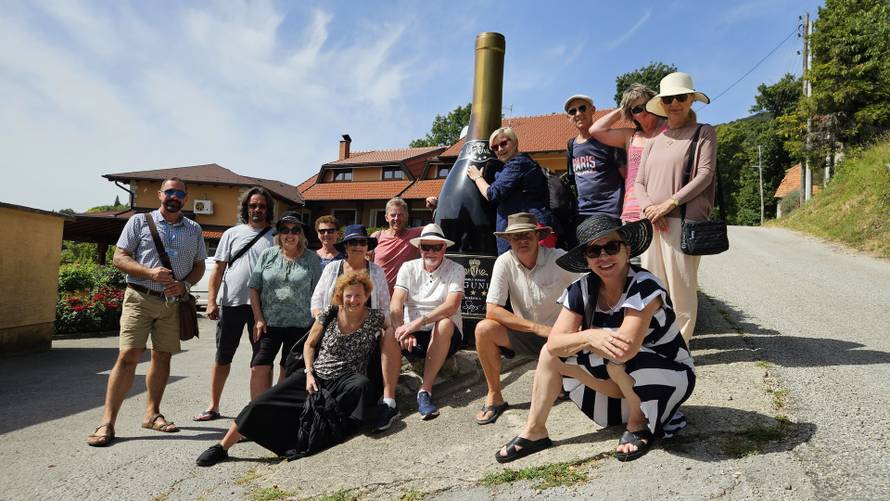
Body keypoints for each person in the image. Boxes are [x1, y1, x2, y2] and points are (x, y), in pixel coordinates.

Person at [494, 215, 695, 463]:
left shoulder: (644, 285)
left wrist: (588, 340)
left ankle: (638, 423)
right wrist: (589, 336)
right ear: (586, 260)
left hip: (667, 377)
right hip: (618, 381)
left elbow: (625, 349)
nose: (603, 256)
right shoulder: (582, 289)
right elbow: (555, 343)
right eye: (593, 250)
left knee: (617, 360)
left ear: (627, 250)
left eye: (611, 247)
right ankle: (535, 431)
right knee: (550, 355)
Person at [195, 271, 392, 466]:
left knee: (362, 386)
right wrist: (308, 373)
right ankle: (222, 447)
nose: (353, 300)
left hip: (346, 380)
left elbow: (393, 331)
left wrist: (403, 333)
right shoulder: (329, 313)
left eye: (358, 295)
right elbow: (309, 345)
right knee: (260, 403)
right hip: (315, 373)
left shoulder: (375, 318)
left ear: (367, 296)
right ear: (341, 296)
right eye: (348, 295)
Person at [87, 177, 207, 447]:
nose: (174, 196)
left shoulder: (194, 230)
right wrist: (149, 272)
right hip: (140, 297)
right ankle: (107, 422)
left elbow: (199, 265)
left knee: (162, 357)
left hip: (172, 304)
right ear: (159, 194)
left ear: (185, 199)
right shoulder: (139, 222)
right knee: (128, 356)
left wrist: (184, 284)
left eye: (179, 193)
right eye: (169, 192)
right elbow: (119, 257)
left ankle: (152, 414)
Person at [473, 213, 580, 425]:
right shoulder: (504, 262)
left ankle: (565, 377)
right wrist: (536, 328)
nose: (522, 241)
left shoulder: (558, 258)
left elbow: (589, 288)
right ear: (509, 240)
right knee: (483, 329)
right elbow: (492, 310)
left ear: (537, 236)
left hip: (563, 338)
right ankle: (495, 395)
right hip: (530, 334)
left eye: (527, 236)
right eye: (516, 237)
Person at [634, 72, 716, 343]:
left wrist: (669, 203)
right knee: (653, 287)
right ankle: (658, 343)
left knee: (681, 289)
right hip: (652, 223)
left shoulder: (703, 132)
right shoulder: (653, 142)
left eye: (680, 97)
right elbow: (639, 182)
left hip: (682, 221)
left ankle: (680, 346)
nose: (674, 103)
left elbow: (704, 174)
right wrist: (649, 210)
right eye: (668, 99)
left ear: (691, 99)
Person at [310, 224, 402, 431]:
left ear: (368, 246)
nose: (358, 246)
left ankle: (389, 401)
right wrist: (324, 321)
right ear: (346, 246)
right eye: (353, 242)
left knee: (391, 335)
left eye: (362, 242)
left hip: (367, 333)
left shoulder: (376, 271)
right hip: (334, 331)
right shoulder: (333, 268)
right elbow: (316, 302)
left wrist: (390, 329)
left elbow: (385, 308)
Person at [193, 187, 275, 422]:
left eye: (261, 206)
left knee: (261, 360)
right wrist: (211, 301)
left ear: (268, 209)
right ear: (246, 208)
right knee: (223, 356)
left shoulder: (276, 236)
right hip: (231, 303)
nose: (257, 210)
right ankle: (213, 405)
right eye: (252, 205)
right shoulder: (232, 233)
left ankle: (258, 408)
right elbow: (217, 269)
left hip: (263, 308)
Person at [390, 223, 466, 420]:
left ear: (444, 248)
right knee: (385, 331)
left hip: (445, 336)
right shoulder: (408, 267)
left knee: (445, 323)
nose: (431, 252)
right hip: (413, 336)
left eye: (436, 247)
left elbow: (451, 306)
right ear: (419, 248)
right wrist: (401, 330)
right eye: (426, 247)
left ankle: (425, 390)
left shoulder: (456, 269)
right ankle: (387, 398)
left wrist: (414, 324)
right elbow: (396, 303)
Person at [248, 212, 322, 398]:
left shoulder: (312, 259)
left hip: (300, 326)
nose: (290, 235)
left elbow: (318, 294)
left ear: (301, 235)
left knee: (287, 371)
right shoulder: (268, 255)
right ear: (279, 234)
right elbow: (254, 287)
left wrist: (316, 324)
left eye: (295, 230)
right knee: (259, 366)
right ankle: (256, 413)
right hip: (268, 323)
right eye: (285, 230)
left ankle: (275, 411)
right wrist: (258, 318)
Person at [466, 127, 556, 255]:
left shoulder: (518, 164)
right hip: (527, 230)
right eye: (495, 148)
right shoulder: (521, 164)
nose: (500, 149)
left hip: (528, 231)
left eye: (503, 143)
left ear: (515, 143)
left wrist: (477, 178)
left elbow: (492, 194)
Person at [588, 84, 666, 223]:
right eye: (636, 109)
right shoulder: (630, 136)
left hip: (662, 208)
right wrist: (624, 107)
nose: (643, 111)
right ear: (632, 115)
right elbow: (595, 130)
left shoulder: (670, 131)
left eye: (646, 105)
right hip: (633, 211)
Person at [564, 94, 627, 245]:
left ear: (593, 110)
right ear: (569, 118)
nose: (578, 113)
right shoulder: (571, 145)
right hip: (583, 214)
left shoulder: (608, 139)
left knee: (610, 254)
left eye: (582, 108)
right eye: (572, 111)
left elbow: (626, 175)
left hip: (609, 212)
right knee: (590, 257)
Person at [369, 197, 423, 293]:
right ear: (386, 217)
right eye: (393, 215)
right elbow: (366, 265)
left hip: (403, 298)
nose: (396, 218)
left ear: (406, 216)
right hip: (376, 297)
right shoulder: (377, 236)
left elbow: (436, 227)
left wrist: (434, 208)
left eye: (400, 215)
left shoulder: (415, 234)